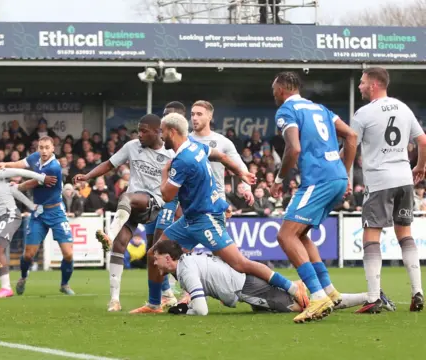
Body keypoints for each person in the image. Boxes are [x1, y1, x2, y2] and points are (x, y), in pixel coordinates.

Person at [137, 112, 308, 314]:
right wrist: (241, 172)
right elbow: (221, 156)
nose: (160, 136)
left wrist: (165, 171)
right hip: (189, 219)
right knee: (154, 253)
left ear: (172, 131)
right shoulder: (194, 146)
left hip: (205, 219)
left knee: (240, 263)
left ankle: (291, 287)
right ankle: (155, 304)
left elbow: (166, 196)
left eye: (162, 131)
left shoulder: (182, 160)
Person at [269, 71, 358, 323]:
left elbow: (293, 148)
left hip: (317, 180)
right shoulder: (320, 109)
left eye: (274, 89)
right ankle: (330, 293)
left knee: (285, 235)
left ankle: (317, 298)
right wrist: (345, 172)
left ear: (283, 89)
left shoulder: (286, 110)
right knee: (300, 234)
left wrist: (278, 179)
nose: (273, 93)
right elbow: (351, 136)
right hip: (336, 178)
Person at [73, 114, 175, 312]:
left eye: (144, 131)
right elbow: (109, 164)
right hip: (135, 204)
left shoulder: (170, 154)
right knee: (120, 246)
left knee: (127, 201)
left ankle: (109, 235)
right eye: (138, 130)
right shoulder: (132, 146)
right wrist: (87, 176)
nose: (140, 134)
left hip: (156, 203)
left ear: (157, 132)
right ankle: (114, 300)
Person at [153, 240, 396, 315]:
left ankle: (371, 296)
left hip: (247, 288)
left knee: (309, 306)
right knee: (267, 311)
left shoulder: (185, 269)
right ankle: (370, 296)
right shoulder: (185, 265)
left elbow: (202, 310)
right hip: (244, 286)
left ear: (168, 258)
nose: (153, 261)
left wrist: (186, 311)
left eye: (157, 256)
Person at [350, 67, 425, 312]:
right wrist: (419, 167)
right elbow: (423, 140)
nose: (360, 86)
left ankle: (373, 298)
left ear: (373, 85)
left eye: (362, 82)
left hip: (379, 181)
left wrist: (341, 170)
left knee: (371, 236)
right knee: (405, 235)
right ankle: (417, 292)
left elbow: (352, 144)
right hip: (404, 178)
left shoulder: (363, 114)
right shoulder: (403, 108)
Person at [0, 136, 75, 295]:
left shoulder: (54, 167)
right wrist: (5, 164)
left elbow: (34, 182)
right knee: (29, 254)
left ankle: (64, 284)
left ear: (53, 149)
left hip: (56, 212)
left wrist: (17, 187)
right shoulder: (36, 157)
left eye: (46, 148)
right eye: (41, 147)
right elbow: (22, 163)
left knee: (68, 254)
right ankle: (23, 277)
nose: (43, 151)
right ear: (38, 148)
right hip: (39, 212)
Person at [0, 155, 56, 299]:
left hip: (10, 215)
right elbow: (11, 190)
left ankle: (6, 288)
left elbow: (19, 172)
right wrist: (32, 206)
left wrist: (42, 178)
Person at [188, 100, 255, 213]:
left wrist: (247, 189)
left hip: (215, 200)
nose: (194, 118)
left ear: (210, 116)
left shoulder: (223, 142)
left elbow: (240, 165)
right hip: (189, 200)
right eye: (192, 114)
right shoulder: (184, 141)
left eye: (199, 114)